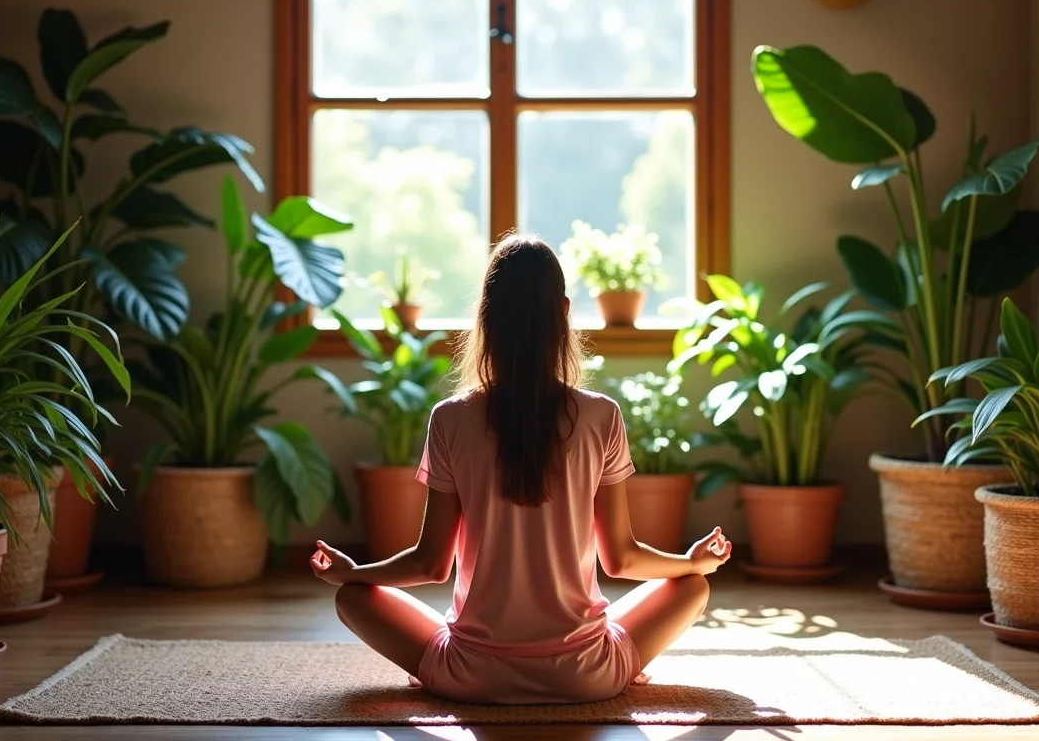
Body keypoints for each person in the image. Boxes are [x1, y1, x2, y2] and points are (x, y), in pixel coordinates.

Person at [310, 233, 732, 705]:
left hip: (468, 676)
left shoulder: (450, 418)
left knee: (350, 597)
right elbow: (620, 559)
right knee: (692, 587)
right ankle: (622, 652)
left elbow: (430, 564)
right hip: (587, 676)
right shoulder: (601, 415)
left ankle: (439, 668)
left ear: (486, 319)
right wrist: (692, 563)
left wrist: (354, 572)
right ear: (564, 311)